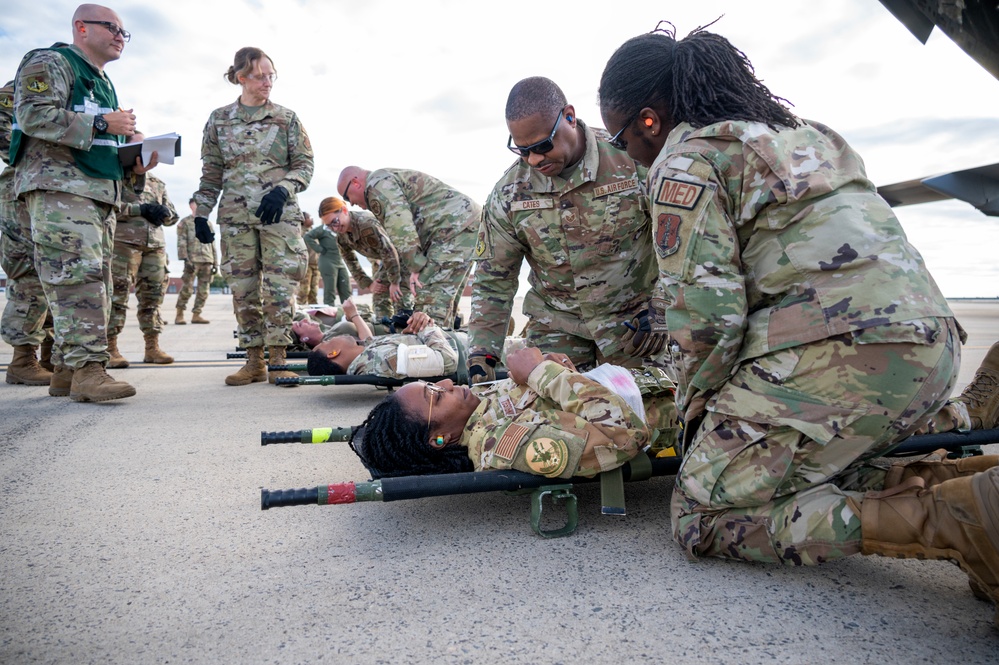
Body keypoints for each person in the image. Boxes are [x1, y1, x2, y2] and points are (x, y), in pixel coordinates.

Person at [596, 24, 999, 625]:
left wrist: (697, 417)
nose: (628, 156)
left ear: (649, 121)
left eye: (623, 141)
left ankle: (958, 521)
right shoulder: (809, 136)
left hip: (847, 355)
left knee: (701, 513)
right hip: (932, 346)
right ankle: (979, 484)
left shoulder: (686, 161)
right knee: (830, 467)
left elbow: (708, 320)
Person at [468, 76, 659, 382]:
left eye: (543, 145)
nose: (534, 159)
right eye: (522, 150)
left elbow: (680, 243)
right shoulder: (510, 194)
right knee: (555, 421)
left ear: (569, 117)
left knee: (644, 415)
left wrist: (662, 309)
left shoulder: (631, 160)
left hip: (634, 328)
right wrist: (482, 354)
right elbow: (493, 280)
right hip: (557, 329)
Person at [10, 3, 140, 402]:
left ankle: (66, 370)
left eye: (124, 32)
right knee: (77, 282)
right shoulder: (50, 61)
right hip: (60, 191)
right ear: (81, 28)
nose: (120, 36)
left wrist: (134, 154)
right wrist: (103, 123)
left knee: (94, 283)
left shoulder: (102, 81)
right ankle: (88, 371)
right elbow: (32, 115)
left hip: (97, 194)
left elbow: (97, 142)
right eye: (112, 28)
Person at [351, 346, 680, 478]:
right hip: (684, 412)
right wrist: (542, 374)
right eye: (436, 394)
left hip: (662, 380)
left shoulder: (482, 409)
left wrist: (560, 370)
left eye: (436, 383)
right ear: (440, 440)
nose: (448, 382)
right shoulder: (504, 444)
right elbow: (623, 437)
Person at [192, 46, 313, 386]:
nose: (267, 82)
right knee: (243, 289)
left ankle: (278, 361)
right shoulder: (219, 119)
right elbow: (211, 173)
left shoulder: (286, 118)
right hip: (234, 217)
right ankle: (253, 361)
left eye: (271, 75)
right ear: (241, 77)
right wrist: (202, 213)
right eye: (260, 76)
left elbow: (304, 165)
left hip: (278, 216)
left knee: (279, 289)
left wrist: (284, 189)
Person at [337, 166, 479, 326]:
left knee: (428, 308)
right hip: (462, 226)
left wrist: (415, 266)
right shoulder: (385, 179)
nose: (353, 204)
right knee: (444, 305)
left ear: (355, 182)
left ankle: (432, 347)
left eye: (348, 197)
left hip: (452, 229)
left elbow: (399, 226)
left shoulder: (377, 186)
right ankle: (449, 343)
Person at [1, 78, 54, 386]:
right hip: (21, 188)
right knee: (29, 273)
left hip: (55, 190)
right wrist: (35, 153)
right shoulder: (22, 87)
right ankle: (23, 359)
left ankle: (49, 355)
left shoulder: (80, 88)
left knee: (55, 274)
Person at [107, 152, 179, 368]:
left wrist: (164, 212)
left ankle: (152, 347)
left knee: (153, 298)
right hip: (123, 245)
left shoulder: (157, 183)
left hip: (154, 246)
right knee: (116, 297)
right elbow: (108, 206)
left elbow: (172, 215)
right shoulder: (114, 177)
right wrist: (140, 209)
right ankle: (110, 348)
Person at [316, 196, 413, 332]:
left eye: (335, 222)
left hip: (404, 253)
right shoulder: (342, 236)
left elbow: (389, 251)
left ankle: (406, 330)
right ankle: (383, 332)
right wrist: (369, 284)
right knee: (379, 293)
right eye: (329, 226)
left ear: (344, 210)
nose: (335, 228)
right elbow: (350, 261)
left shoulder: (366, 223)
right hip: (388, 260)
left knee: (399, 297)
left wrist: (395, 282)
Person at [305, 299, 464, 380]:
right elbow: (448, 361)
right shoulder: (383, 360)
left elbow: (369, 340)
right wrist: (425, 326)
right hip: (468, 348)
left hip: (464, 341)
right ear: (333, 353)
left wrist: (410, 334)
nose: (332, 338)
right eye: (325, 343)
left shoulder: (367, 356)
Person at [175, 198, 217, 325]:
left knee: (204, 290)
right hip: (192, 260)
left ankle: (197, 314)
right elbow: (181, 242)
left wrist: (215, 262)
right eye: (195, 204)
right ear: (191, 206)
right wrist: (185, 259)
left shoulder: (207, 223)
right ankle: (180, 314)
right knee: (187, 289)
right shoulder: (185, 222)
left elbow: (212, 243)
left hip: (207, 259)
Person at [303, 208, 352, 307]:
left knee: (346, 288)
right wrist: (319, 249)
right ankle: (329, 312)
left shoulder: (339, 229)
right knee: (330, 290)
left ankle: (349, 312)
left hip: (339, 261)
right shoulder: (323, 229)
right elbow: (307, 237)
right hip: (327, 261)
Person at [297, 212, 320, 305]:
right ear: (303, 219)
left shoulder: (313, 231)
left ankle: (314, 308)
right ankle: (300, 306)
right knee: (305, 289)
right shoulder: (299, 232)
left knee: (314, 289)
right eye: (309, 217)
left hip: (316, 264)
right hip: (306, 265)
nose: (312, 219)